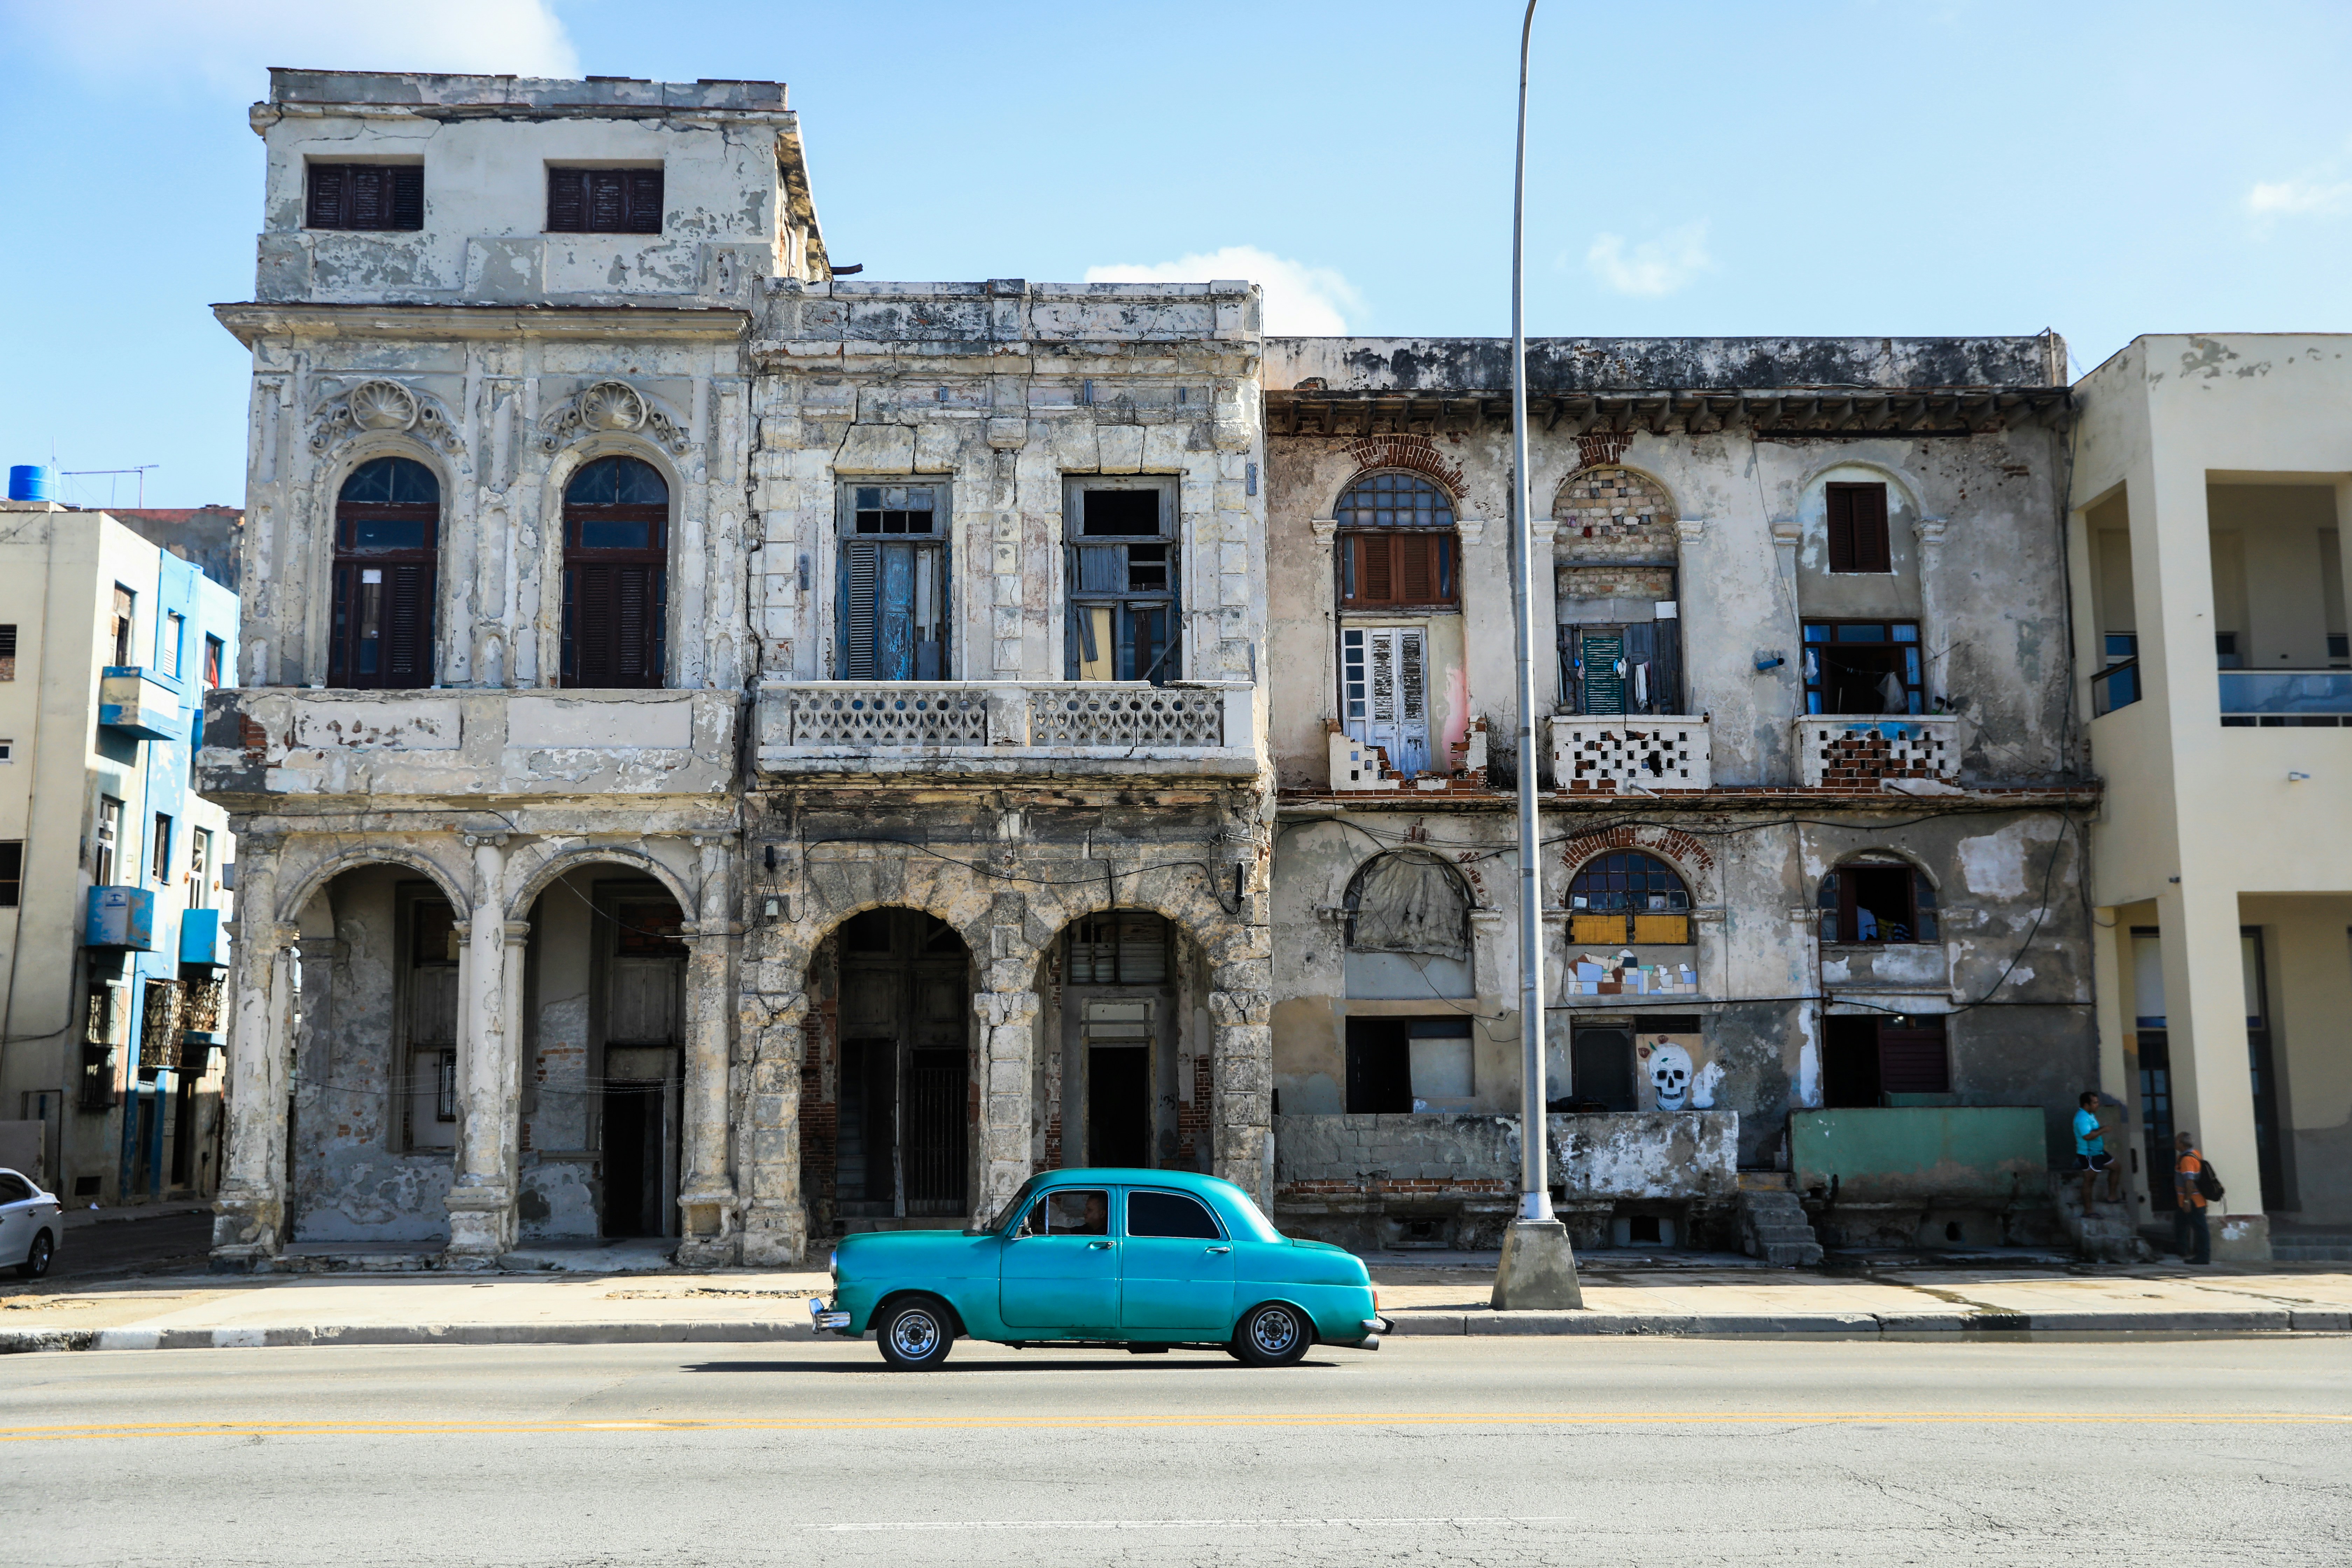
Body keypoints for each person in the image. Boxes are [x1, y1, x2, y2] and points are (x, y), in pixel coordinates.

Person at [2074, 1092, 2121, 1208]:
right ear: (2086, 1104)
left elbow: (2093, 1130)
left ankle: (2112, 1197)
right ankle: (2088, 1210)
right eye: (2095, 1103)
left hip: (2099, 1152)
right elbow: (2087, 1136)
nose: (2098, 1105)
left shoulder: (2090, 1115)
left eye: (2098, 1102)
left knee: (2116, 1168)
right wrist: (2103, 1130)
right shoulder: (2082, 1118)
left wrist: (2100, 1129)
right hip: (2089, 1154)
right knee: (2089, 1181)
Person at [2173, 1131, 2212, 1265]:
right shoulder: (2194, 1154)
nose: (2175, 1143)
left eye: (2177, 1141)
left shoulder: (2188, 1159)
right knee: (2181, 1224)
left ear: (2182, 1144)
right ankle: (2181, 1249)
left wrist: (2187, 1201)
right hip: (2190, 1201)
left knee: (2200, 1228)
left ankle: (2203, 1256)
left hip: (2193, 1201)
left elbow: (2189, 1182)